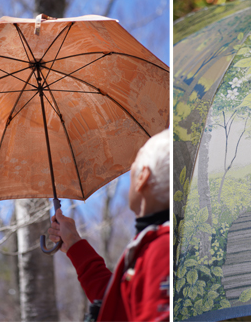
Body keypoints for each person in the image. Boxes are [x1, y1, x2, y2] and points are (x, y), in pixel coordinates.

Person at [48, 129, 171, 322]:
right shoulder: (154, 244)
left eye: (134, 167)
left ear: (142, 177)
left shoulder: (162, 249)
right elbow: (116, 303)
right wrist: (73, 243)